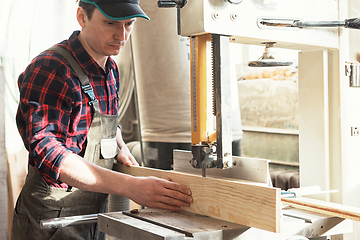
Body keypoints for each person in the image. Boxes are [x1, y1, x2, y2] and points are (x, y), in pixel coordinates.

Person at [11, 0, 193, 239]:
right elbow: (47, 151)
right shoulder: (51, 68)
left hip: (94, 216)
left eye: (129, 24)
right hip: (50, 219)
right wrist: (131, 186)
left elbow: (98, 120)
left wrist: (117, 145)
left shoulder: (111, 69)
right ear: (82, 17)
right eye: (111, 23)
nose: (122, 35)